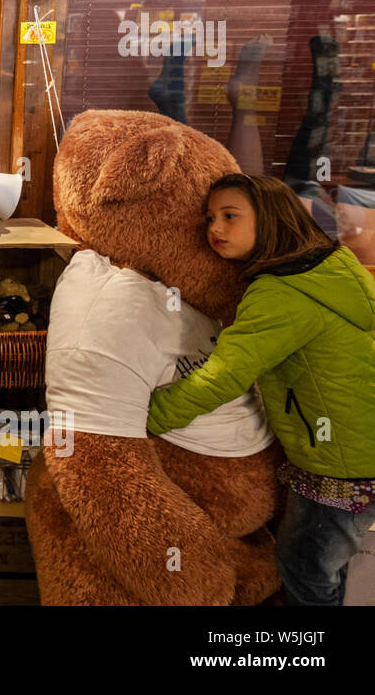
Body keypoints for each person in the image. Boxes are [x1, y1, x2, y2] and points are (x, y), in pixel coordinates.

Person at [147, 173, 375, 605]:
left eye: (230, 216)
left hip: (340, 461)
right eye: (210, 217)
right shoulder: (332, 266)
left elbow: (225, 374)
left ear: (271, 219)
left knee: (304, 568)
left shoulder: (280, 293)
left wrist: (148, 416)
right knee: (330, 567)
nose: (215, 228)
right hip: (358, 446)